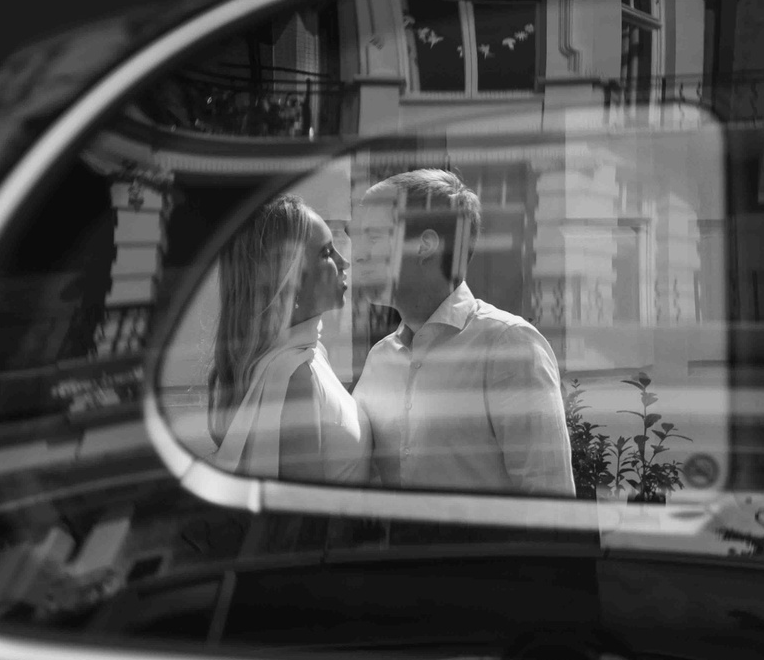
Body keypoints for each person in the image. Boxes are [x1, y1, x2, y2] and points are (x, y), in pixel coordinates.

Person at [350, 168, 573, 495]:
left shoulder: (508, 346)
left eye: (373, 236)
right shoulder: (379, 360)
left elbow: (551, 503)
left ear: (424, 245)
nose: (357, 253)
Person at [207, 195, 367, 483]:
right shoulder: (294, 375)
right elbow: (307, 516)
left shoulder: (309, 355)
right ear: (289, 279)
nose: (344, 262)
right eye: (327, 253)